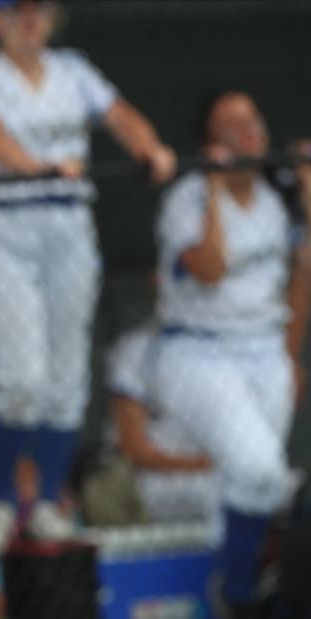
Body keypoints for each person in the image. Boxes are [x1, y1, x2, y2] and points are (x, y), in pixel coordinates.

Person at [0, 0, 177, 556]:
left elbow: (120, 115)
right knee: (22, 378)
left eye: (39, 10)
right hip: (3, 227)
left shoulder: (73, 69)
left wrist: (151, 148)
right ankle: (2, 501)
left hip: (68, 226)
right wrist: (38, 166)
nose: (30, 20)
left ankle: (49, 502)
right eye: (17, 11)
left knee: (67, 380)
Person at [152, 90, 311, 618]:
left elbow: (304, 272)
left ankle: (234, 590)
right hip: (201, 353)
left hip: (267, 350)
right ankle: (239, 596)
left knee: (251, 487)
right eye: (232, 125)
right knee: (261, 470)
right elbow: (211, 268)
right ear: (209, 143)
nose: (248, 132)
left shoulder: (275, 195)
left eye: (253, 120)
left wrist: (289, 358)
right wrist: (216, 186)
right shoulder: (189, 197)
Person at [84, 320, 219, 536]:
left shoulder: (226, 349)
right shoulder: (137, 346)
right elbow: (135, 449)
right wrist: (203, 464)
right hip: (145, 479)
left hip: (207, 478)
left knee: (273, 487)